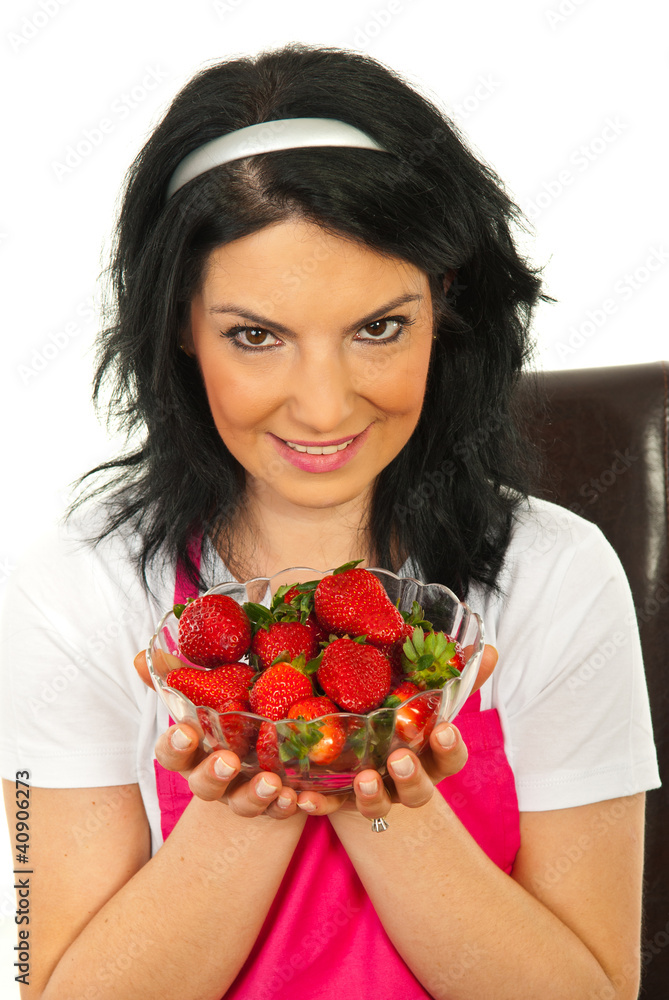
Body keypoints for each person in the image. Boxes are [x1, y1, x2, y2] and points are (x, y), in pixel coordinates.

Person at [0, 41, 660, 1000]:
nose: (321, 407)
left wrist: (382, 798)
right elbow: (46, 983)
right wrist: (248, 806)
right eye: (255, 336)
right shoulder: (73, 592)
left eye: (377, 328)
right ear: (179, 324)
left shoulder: (555, 575)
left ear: (445, 305)